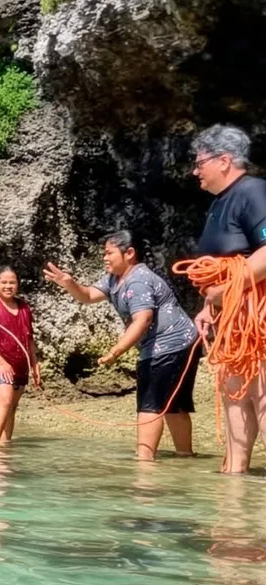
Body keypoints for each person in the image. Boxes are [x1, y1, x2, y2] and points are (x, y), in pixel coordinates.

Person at [44, 231, 198, 460]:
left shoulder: (138, 279)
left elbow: (143, 320)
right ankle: (185, 457)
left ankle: (144, 462)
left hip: (170, 344)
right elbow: (87, 295)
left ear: (129, 253)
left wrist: (115, 352)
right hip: (183, 342)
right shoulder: (114, 279)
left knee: (150, 405)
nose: (104, 258)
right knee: (173, 404)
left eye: (109, 253)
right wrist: (69, 284)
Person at [187, 124, 266, 472]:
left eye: (199, 162)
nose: (195, 171)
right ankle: (235, 479)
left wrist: (226, 290)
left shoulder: (254, 192)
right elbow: (221, 264)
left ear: (224, 160)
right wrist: (209, 304)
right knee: (234, 395)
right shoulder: (220, 202)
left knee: (262, 396)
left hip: (257, 317)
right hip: (230, 318)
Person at [0, 266, 41, 449]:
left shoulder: (25, 307)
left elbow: (29, 339)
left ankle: (6, 445)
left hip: (21, 365)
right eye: (4, 282)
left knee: (12, 407)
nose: (8, 286)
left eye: (12, 282)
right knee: (5, 400)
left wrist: (35, 364)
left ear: (17, 284)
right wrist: (1, 362)